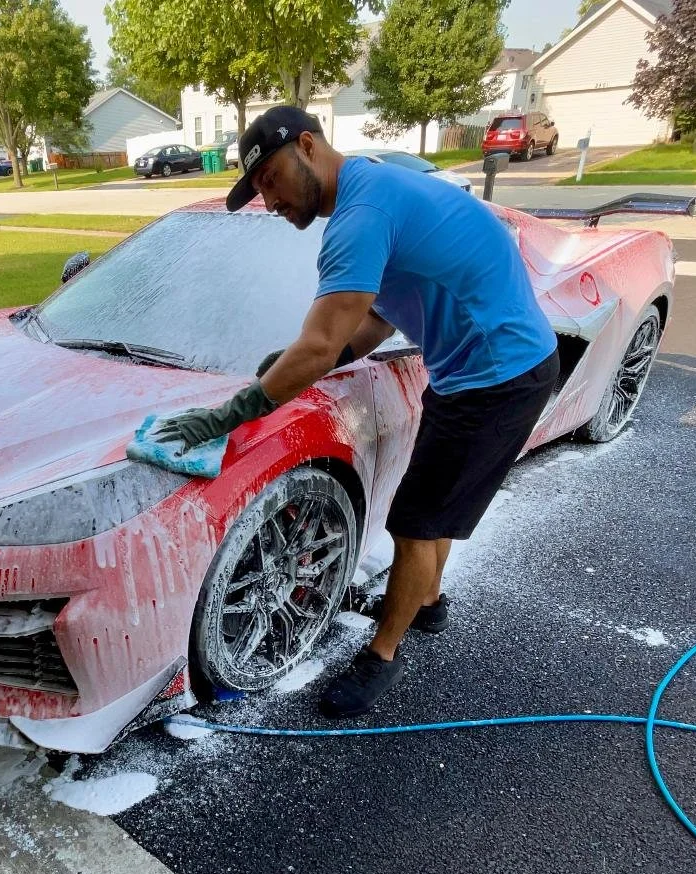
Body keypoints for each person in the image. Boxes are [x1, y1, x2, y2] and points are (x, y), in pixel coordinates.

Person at [152, 105, 558, 718]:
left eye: (270, 181)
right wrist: (325, 355)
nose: (270, 201)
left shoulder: (361, 217)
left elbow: (318, 343)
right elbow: (377, 319)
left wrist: (229, 414)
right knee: (436, 508)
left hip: (498, 377)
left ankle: (382, 656)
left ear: (307, 146)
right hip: (475, 370)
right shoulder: (374, 189)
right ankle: (427, 603)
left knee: (415, 524)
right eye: (258, 190)